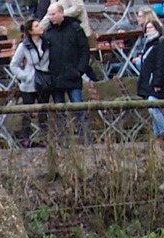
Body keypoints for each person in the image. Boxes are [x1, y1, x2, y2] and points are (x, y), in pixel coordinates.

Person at [43, 3, 96, 141]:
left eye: (53, 14)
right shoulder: (48, 32)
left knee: (79, 107)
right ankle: (62, 140)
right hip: (55, 77)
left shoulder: (75, 29)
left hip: (72, 75)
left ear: (61, 13)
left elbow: (85, 50)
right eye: (49, 14)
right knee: (59, 111)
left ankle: (86, 137)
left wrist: (80, 70)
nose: (50, 17)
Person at [133, 8, 164, 138]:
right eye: (147, 28)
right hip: (147, 81)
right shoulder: (148, 44)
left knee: (153, 107)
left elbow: (159, 65)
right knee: (152, 108)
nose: (148, 30)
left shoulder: (160, 43)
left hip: (155, 81)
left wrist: (157, 82)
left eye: (151, 28)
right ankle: (158, 135)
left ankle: (163, 132)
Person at [9, 18, 49, 145]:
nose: (40, 27)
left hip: (45, 81)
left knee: (44, 111)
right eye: (37, 26)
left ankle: (45, 137)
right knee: (27, 112)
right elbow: (14, 65)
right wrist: (24, 76)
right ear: (31, 31)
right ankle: (25, 139)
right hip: (29, 83)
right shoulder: (24, 46)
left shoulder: (47, 43)